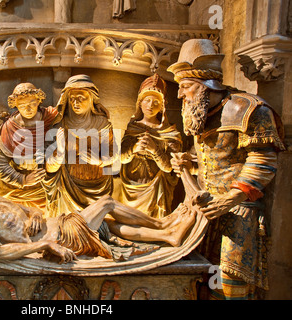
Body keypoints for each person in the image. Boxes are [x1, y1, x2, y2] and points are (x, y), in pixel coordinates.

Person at [167, 39, 285, 300]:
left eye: (186, 87)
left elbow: (262, 161)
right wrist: (188, 160)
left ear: (206, 85)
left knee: (233, 285)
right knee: (207, 277)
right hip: (207, 209)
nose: (179, 94)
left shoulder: (248, 110)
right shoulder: (201, 110)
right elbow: (214, 151)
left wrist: (231, 198)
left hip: (239, 209)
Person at [0, 187, 197, 264]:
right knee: (106, 202)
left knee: (108, 226)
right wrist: (45, 244)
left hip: (57, 223)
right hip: (60, 236)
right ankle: (164, 223)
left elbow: (29, 209)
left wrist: (36, 213)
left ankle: (168, 237)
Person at [44, 74, 119, 218]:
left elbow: (114, 155)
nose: (75, 103)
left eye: (81, 98)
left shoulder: (102, 124)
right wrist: (59, 155)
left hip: (99, 188)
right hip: (68, 189)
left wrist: (99, 160)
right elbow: (48, 167)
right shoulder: (61, 125)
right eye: (72, 99)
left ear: (91, 99)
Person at [120, 74, 182, 218]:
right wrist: (134, 149)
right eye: (147, 100)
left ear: (162, 106)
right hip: (132, 186)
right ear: (140, 103)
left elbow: (168, 167)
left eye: (156, 102)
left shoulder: (170, 133)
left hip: (156, 188)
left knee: (152, 224)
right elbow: (121, 159)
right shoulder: (133, 128)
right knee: (130, 222)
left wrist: (155, 150)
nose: (150, 105)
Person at [0, 83, 58, 213]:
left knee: (54, 209)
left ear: (39, 101)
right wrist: (22, 180)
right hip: (15, 187)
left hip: (44, 183)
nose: (28, 109)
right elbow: (0, 164)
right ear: (16, 105)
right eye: (22, 106)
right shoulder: (8, 128)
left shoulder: (50, 118)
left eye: (32, 104)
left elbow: (66, 107)